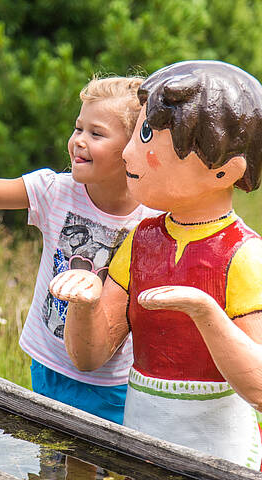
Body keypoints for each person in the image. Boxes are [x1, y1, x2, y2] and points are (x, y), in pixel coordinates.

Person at [0, 76, 160, 424]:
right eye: (78, 128)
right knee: (50, 458)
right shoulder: (54, 191)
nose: (79, 141)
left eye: (96, 134)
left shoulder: (153, 218)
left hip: (115, 381)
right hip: (49, 365)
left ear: (131, 148)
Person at [49, 60, 262, 469]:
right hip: (142, 435)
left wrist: (204, 312)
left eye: (147, 135)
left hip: (219, 453)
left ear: (224, 169)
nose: (129, 151)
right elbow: (89, 357)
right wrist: (86, 302)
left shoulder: (244, 256)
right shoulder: (141, 239)